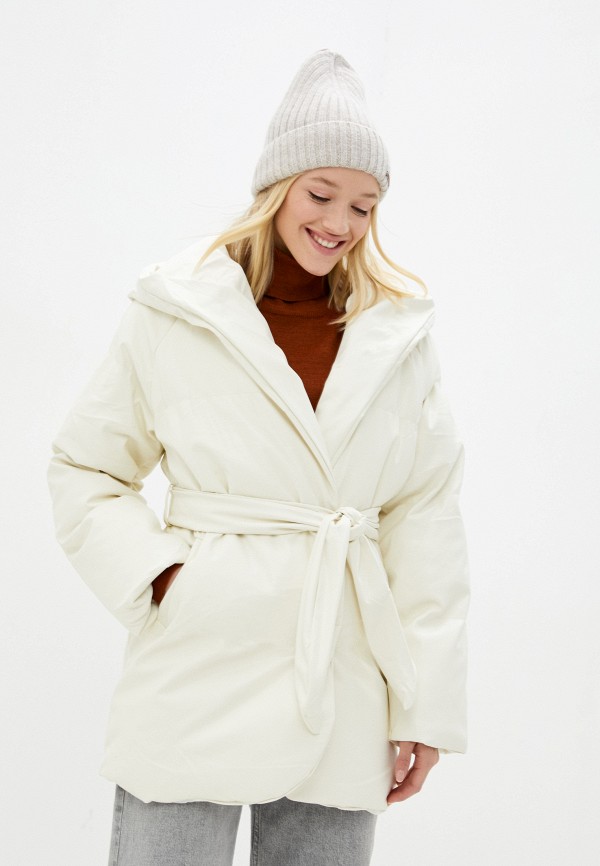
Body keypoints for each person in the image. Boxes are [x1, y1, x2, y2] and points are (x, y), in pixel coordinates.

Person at [48, 49, 469, 866]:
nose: (340, 222)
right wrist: (165, 581)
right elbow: (86, 468)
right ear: (277, 186)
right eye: (321, 194)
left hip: (344, 673)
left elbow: (426, 519)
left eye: (364, 205)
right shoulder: (177, 310)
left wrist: (425, 706)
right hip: (201, 658)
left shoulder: (397, 337)